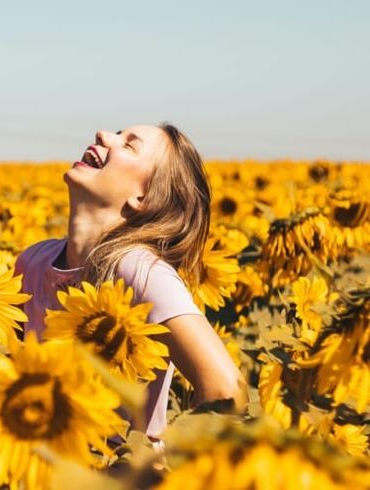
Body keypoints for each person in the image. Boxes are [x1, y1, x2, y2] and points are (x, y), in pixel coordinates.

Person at [15, 124, 246, 437]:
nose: (103, 135)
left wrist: (169, 466)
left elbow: (225, 389)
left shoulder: (139, 271)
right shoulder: (33, 261)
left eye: (128, 145)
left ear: (143, 197)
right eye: (117, 133)